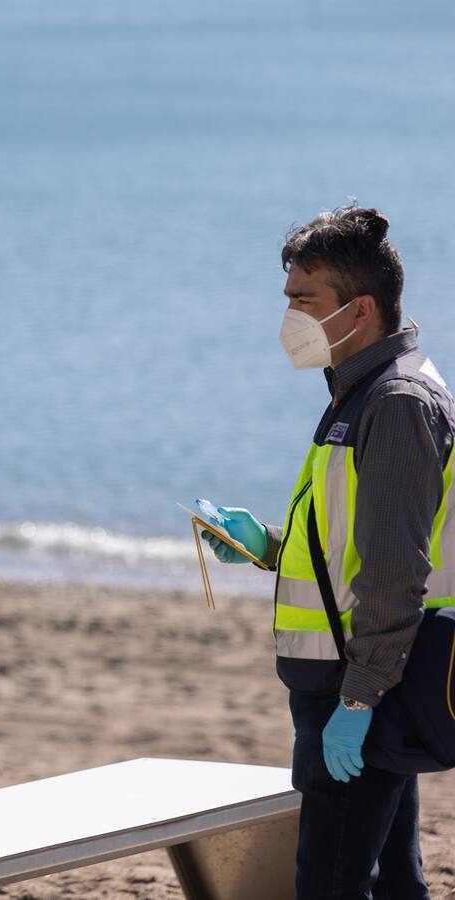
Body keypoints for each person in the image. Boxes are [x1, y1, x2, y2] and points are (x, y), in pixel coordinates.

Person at [203, 206, 450, 898]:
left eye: (302, 302)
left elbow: (398, 572)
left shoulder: (396, 401)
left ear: (360, 309)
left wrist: (360, 701)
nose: (289, 319)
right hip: (351, 686)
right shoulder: (359, 394)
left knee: (333, 884)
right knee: (394, 881)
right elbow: (352, 547)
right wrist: (266, 547)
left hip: (363, 689)